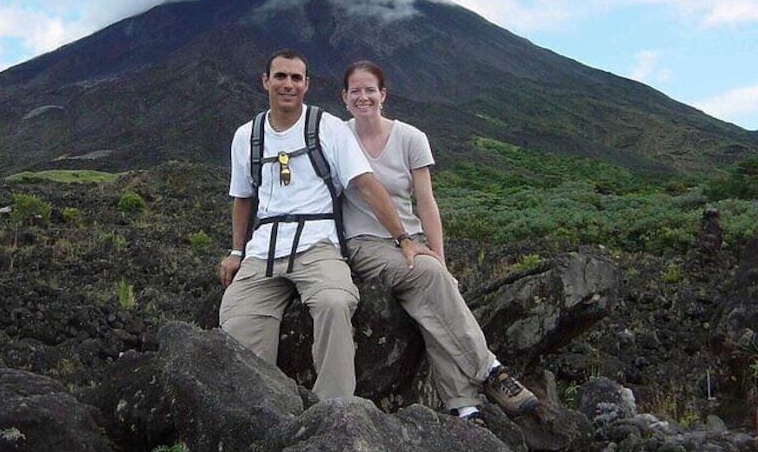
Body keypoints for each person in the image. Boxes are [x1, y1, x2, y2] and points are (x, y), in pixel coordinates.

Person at [218, 50, 436, 400]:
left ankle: (335, 410)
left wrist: (404, 239)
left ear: (307, 84)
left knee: (335, 303)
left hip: (317, 246)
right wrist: (236, 250)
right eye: (280, 76)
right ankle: (259, 410)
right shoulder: (247, 136)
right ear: (265, 81)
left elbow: (367, 184)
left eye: (296, 78)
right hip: (264, 252)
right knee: (236, 319)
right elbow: (243, 198)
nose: (288, 84)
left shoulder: (328, 128)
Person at [340, 60, 539, 422]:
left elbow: (426, 202)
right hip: (365, 244)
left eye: (370, 89)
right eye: (356, 90)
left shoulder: (410, 137)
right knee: (430, 279)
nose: (363, 96)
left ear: (383, 94)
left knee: (430, 291)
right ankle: (491, 371)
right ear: (345, 97)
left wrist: (440, 258)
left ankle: (464, 405)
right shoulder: (338, 138)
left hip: (410, 239)